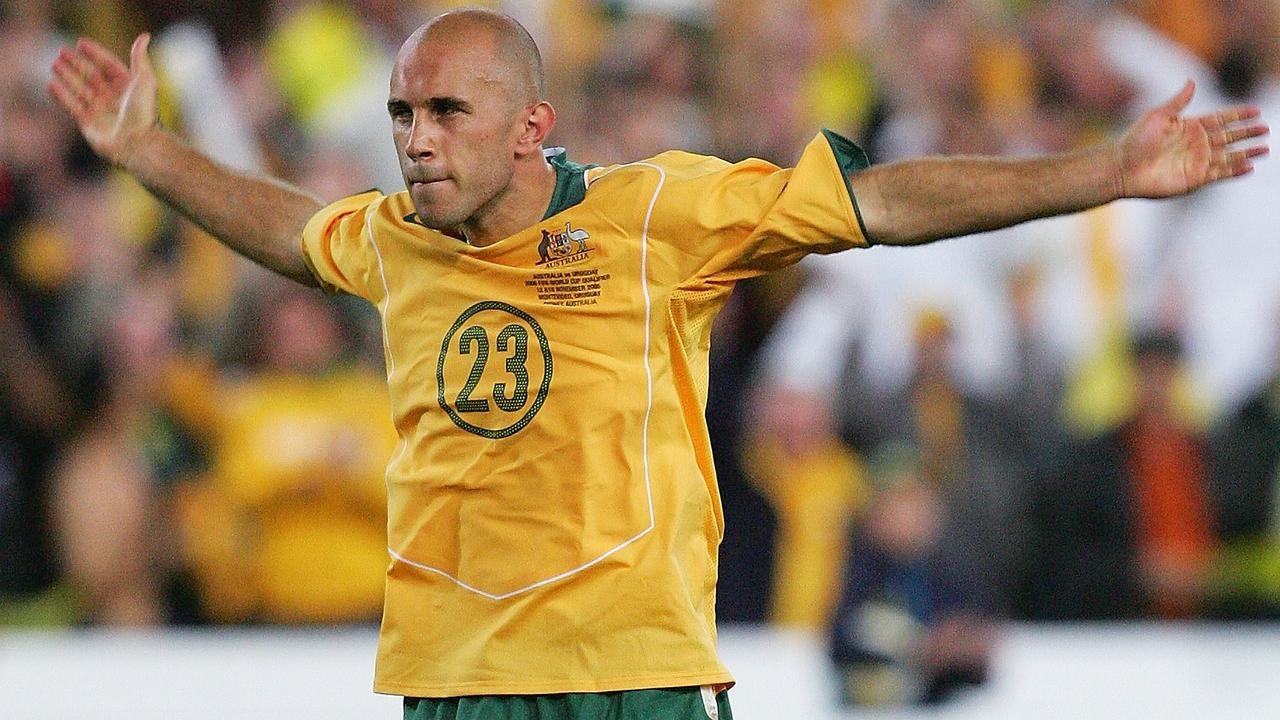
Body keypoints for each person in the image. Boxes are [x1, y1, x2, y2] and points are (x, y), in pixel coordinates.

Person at [47, 7, 1268, 719]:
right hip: (447, 680)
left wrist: (1103, 173)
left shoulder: (656, 218)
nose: (415, 144)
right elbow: (286, 233)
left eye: (446, 115)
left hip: (631, 675)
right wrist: (146, 151)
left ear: (532, 126)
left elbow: (883, 203)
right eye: (402, 117)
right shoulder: (392, 241)